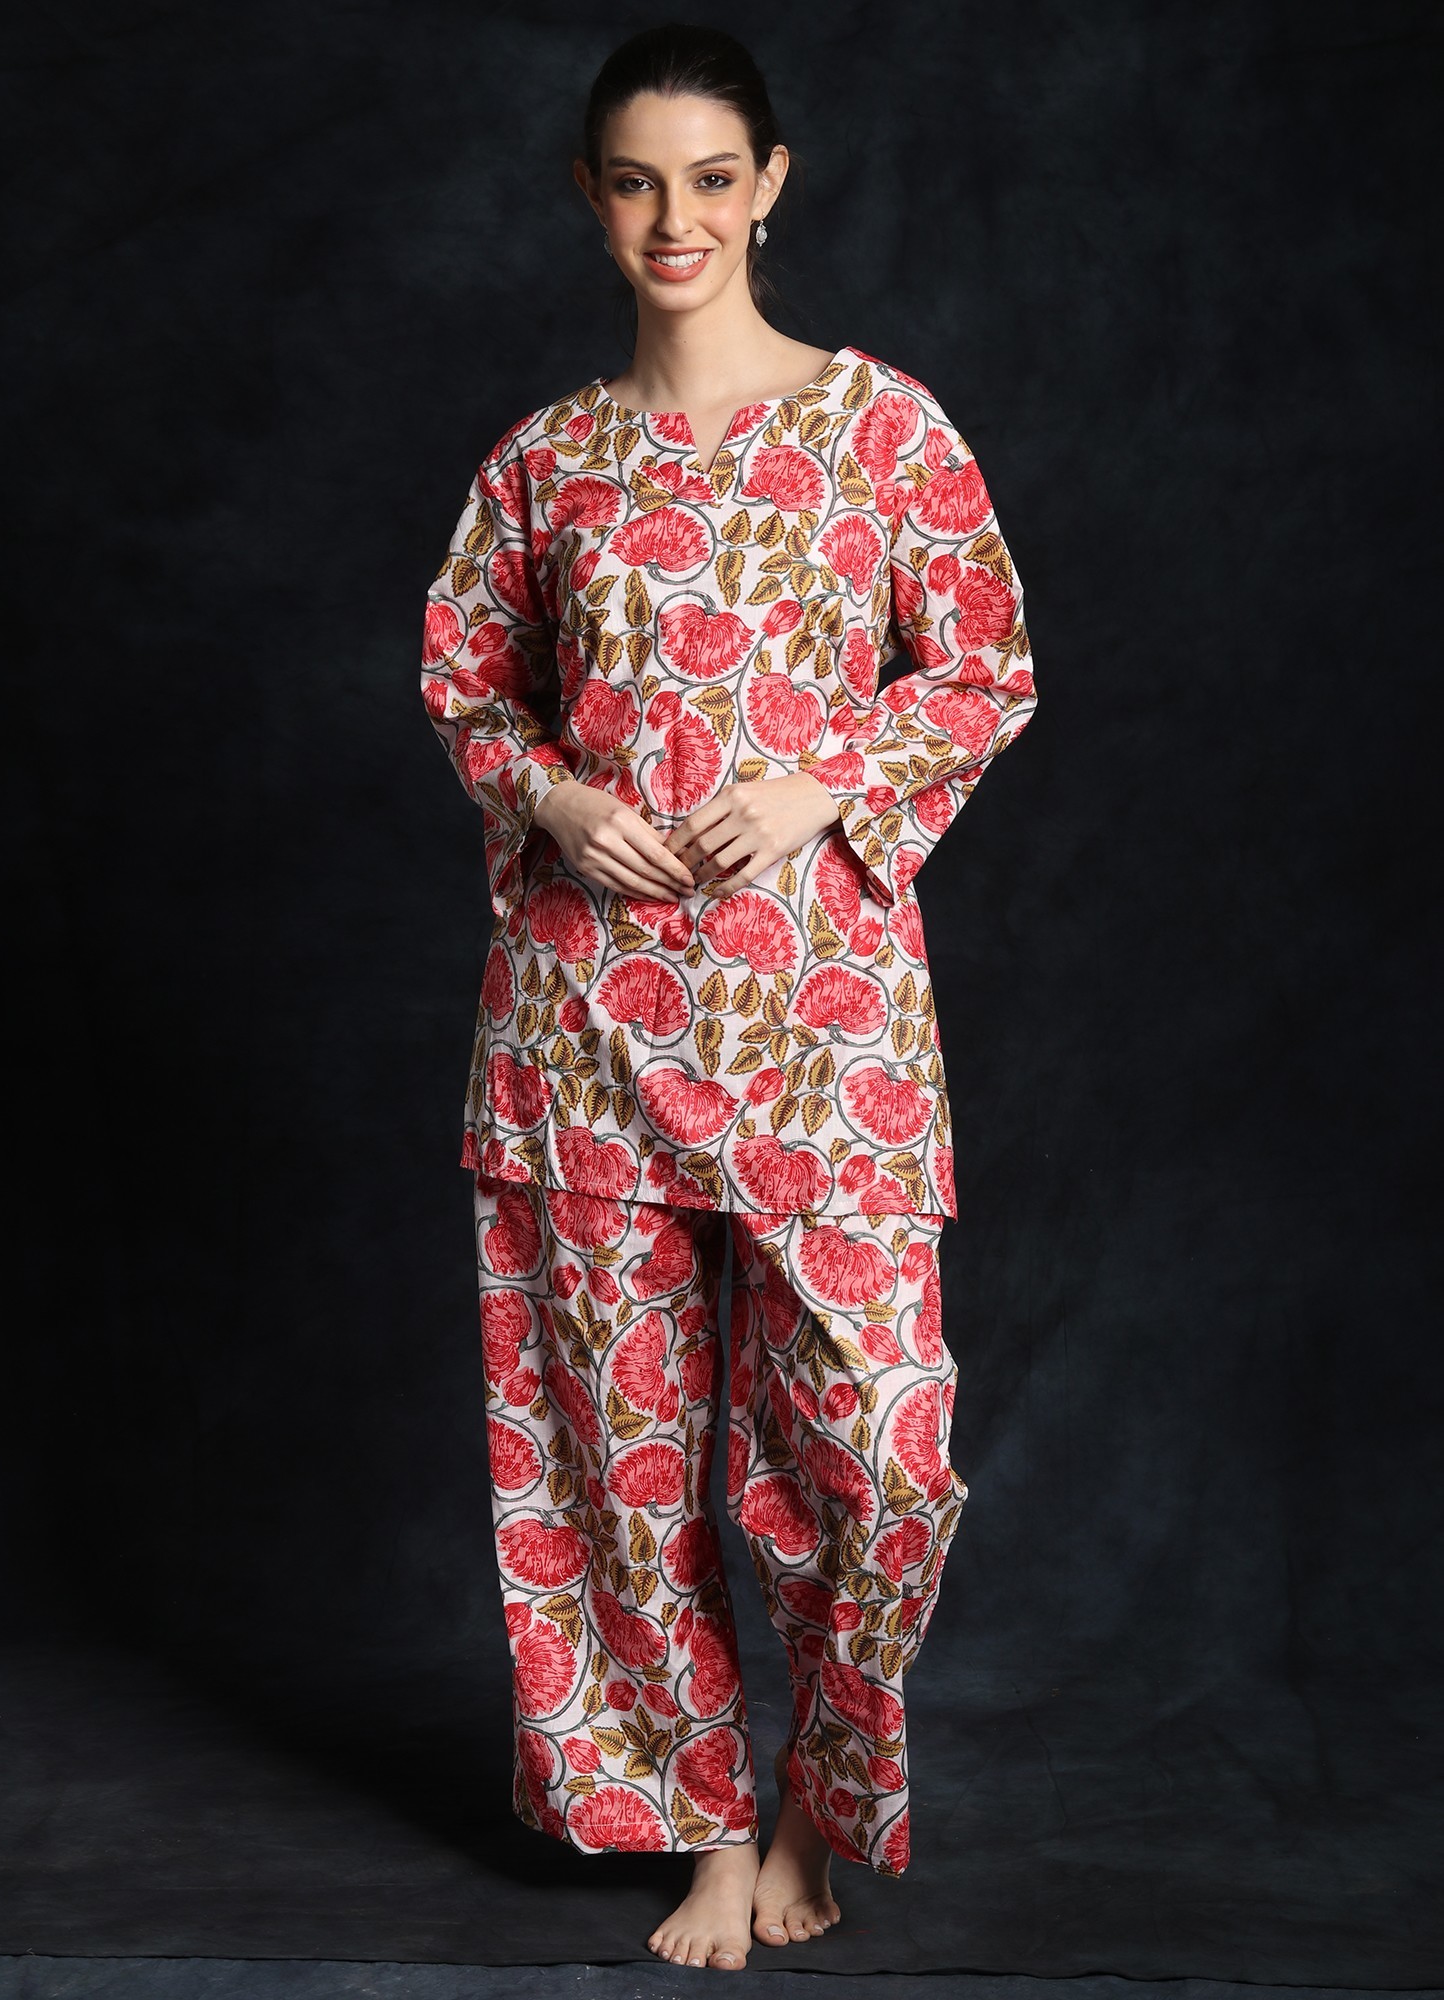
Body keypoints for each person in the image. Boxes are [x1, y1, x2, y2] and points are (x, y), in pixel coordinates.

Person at [419, 22, 1037, 1974]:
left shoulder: (885, 429)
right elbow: (468, 686)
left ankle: (814, 1797)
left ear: (769, 186)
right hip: (584, 1032)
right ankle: (700, 1824)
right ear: (591, 200)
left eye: (708, 178)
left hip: (823, 1033)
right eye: (634, 181)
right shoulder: (545, 463)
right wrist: (554, 800)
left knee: (879, 1446)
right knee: (618, 1463)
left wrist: (826, 777)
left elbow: (985, 667)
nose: (672, 218)